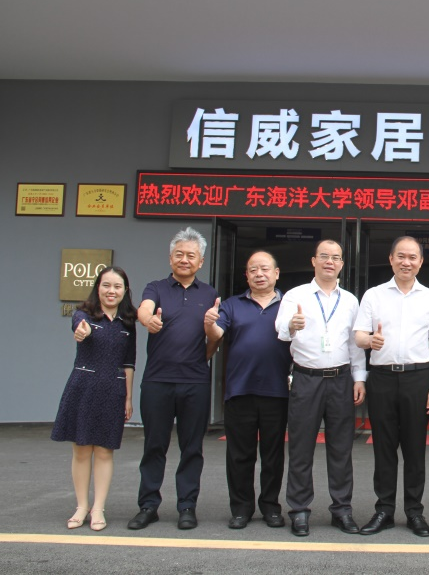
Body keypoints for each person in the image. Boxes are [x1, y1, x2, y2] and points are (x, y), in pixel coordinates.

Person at [353, 236, 429, 537]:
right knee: (383, 447)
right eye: (401, 256)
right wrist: (370, 340)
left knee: (414, 448)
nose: (406, 262)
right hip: (382, 378)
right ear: (391, 259)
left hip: (418, 379)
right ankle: (383, 510)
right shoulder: (374, 295)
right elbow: (359, 335)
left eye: (412, 257)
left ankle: (414, 512)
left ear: (420, 262)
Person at [129, 227, 219, 531]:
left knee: (192, 448)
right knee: (154, 445)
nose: (184, 259)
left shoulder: (209, 294)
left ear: (200, 261)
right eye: (179, 254)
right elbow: (143, 310)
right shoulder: (155, 288)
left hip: (195, 382)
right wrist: (149, 321)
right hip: (158, 380)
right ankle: (148, 506)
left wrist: (205, 350)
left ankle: (187, 506)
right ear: (170, 258)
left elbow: (214, 339)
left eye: (191, 255)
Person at [275, 239, 367, 537]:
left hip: (341, 379)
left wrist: (359, 378)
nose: (330, 262)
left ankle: (342, 509)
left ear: (342, 264)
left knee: (341, 449)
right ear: (313, 261)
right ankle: (299, 510)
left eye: (336, 257)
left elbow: (355, 344)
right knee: (301, 447)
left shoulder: (351, 300)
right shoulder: (295, 295)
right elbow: (281, 332)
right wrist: (292, 324)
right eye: (324, 256)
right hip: (306, 379)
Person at [204, 251, 294, 530]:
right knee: (239, 455)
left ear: (276, 273)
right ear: (246, 275)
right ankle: (241, 508)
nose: (259, 274)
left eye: (265, 269)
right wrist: (209, 324)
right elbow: (217, 334)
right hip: (239, 390)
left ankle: (270, 507)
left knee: (273, 455)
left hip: (277, 391)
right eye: (253, 269)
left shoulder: (289, 305)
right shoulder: (232, 305)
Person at [52, 267, 137, 532]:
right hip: (83, 388)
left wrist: (128, 398)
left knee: (104, 450)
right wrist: (82, 331)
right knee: (81, 449)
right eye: (106, 285)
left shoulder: (128, 322)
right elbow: (80, 328)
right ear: (97, 287)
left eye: (117, 287)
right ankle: (81, 506)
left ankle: (98, 508)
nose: (112, 291)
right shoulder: (83, 314)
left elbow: (129, 363)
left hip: (113, 390)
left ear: (125, 291)